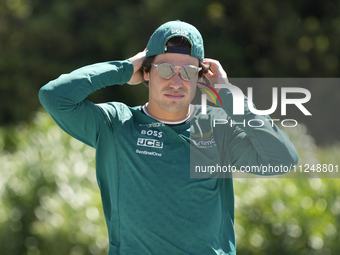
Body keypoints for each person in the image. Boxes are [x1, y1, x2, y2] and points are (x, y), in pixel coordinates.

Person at [39, 20, 298, 255]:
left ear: (200, 77)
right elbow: (54, 96)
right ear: (146, 72)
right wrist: (123, 68)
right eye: (164, 69)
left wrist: (227, 93)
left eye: (187, 72)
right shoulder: (116, 124)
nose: (176, 82)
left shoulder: (217, 128)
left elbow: (282, 158)